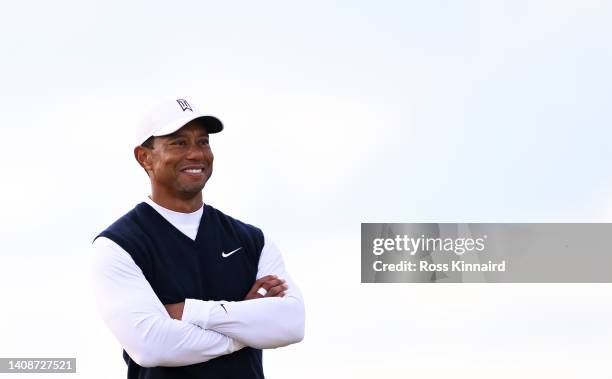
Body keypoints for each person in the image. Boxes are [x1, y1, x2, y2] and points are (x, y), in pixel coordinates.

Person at [91, 98, 305, 379]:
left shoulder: (252, 240)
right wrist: (247, 325)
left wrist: (190, 313)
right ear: (145, 157)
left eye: (203, 142)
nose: (196, 154)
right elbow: (151, 346)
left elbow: (291, 324)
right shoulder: (118, 245)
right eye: (179, 143)